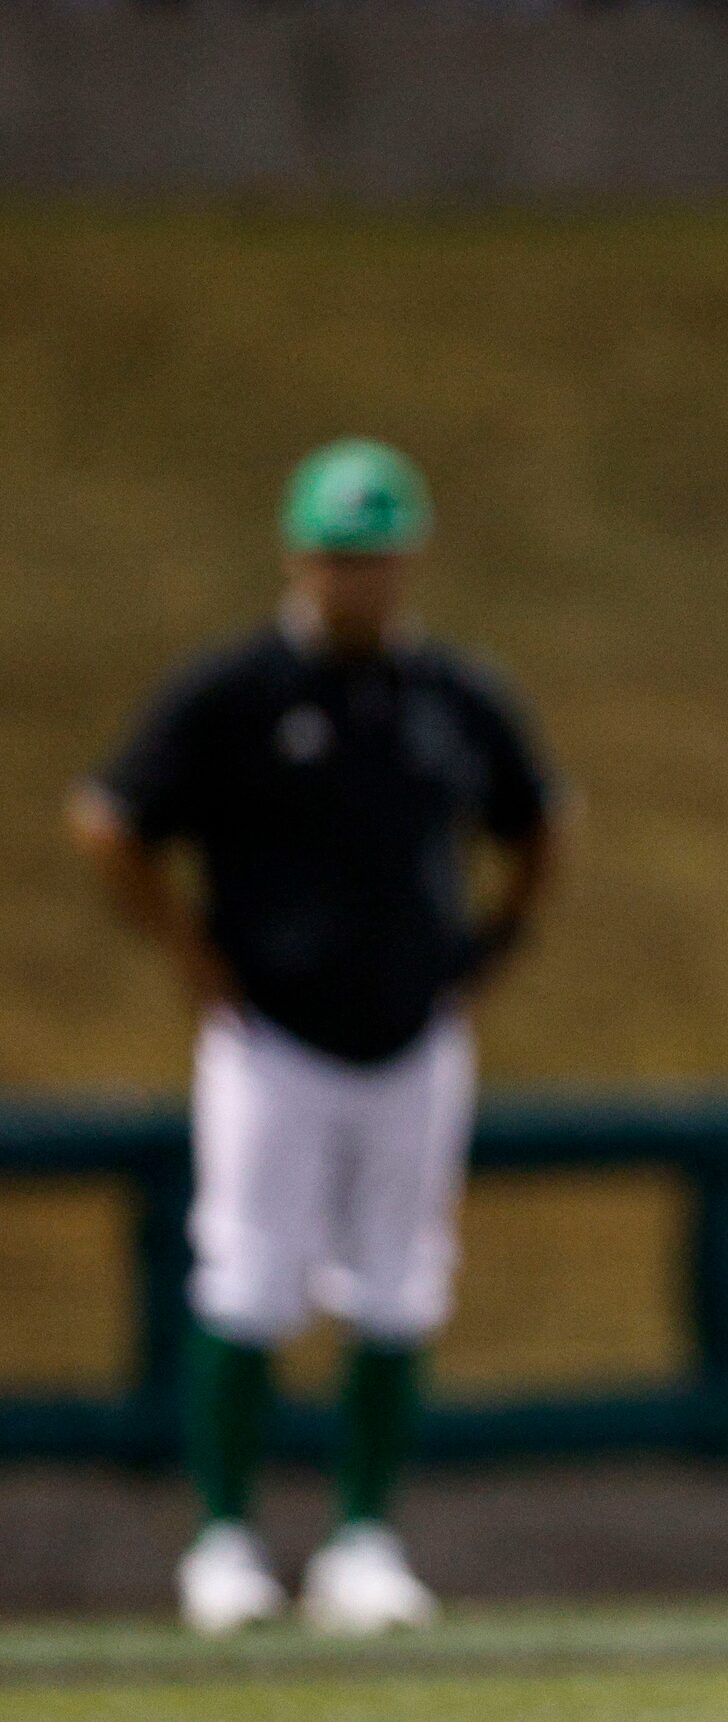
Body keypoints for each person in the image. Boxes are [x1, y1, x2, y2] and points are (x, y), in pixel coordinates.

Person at [69, 439, 563, 1636]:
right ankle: (224, 1540)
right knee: (245, 1272)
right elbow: (110, 819)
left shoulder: (451, 695)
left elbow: (537, 818)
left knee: (399, 1281)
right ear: (300, 558)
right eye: (342, 558)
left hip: (412, 1033)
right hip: (271, 1036)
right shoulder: (236, 693)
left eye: (379, 557)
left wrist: (491, 950)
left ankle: (362, 1539)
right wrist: (190, 952)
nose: (361, 580)